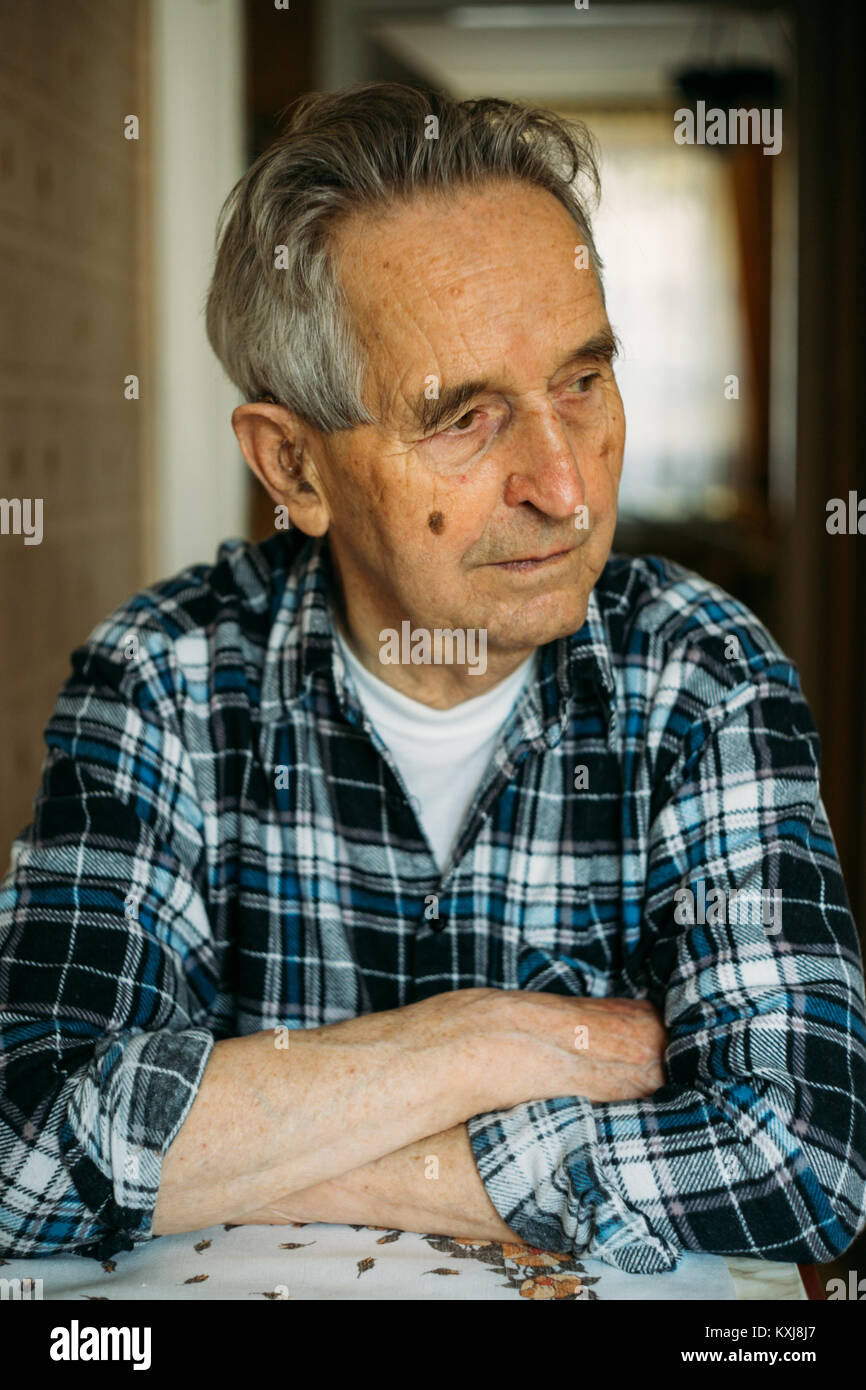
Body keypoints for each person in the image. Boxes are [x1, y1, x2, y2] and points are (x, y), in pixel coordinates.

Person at [1, 83, 863, 1273]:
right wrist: (483, 1041)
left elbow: (803, 1155)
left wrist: (259, 1145)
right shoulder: (163, 679)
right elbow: (21, 1144)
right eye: (464, 417)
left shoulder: (701, 673)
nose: (564, 487)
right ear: (293, 467)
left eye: (581, 382)